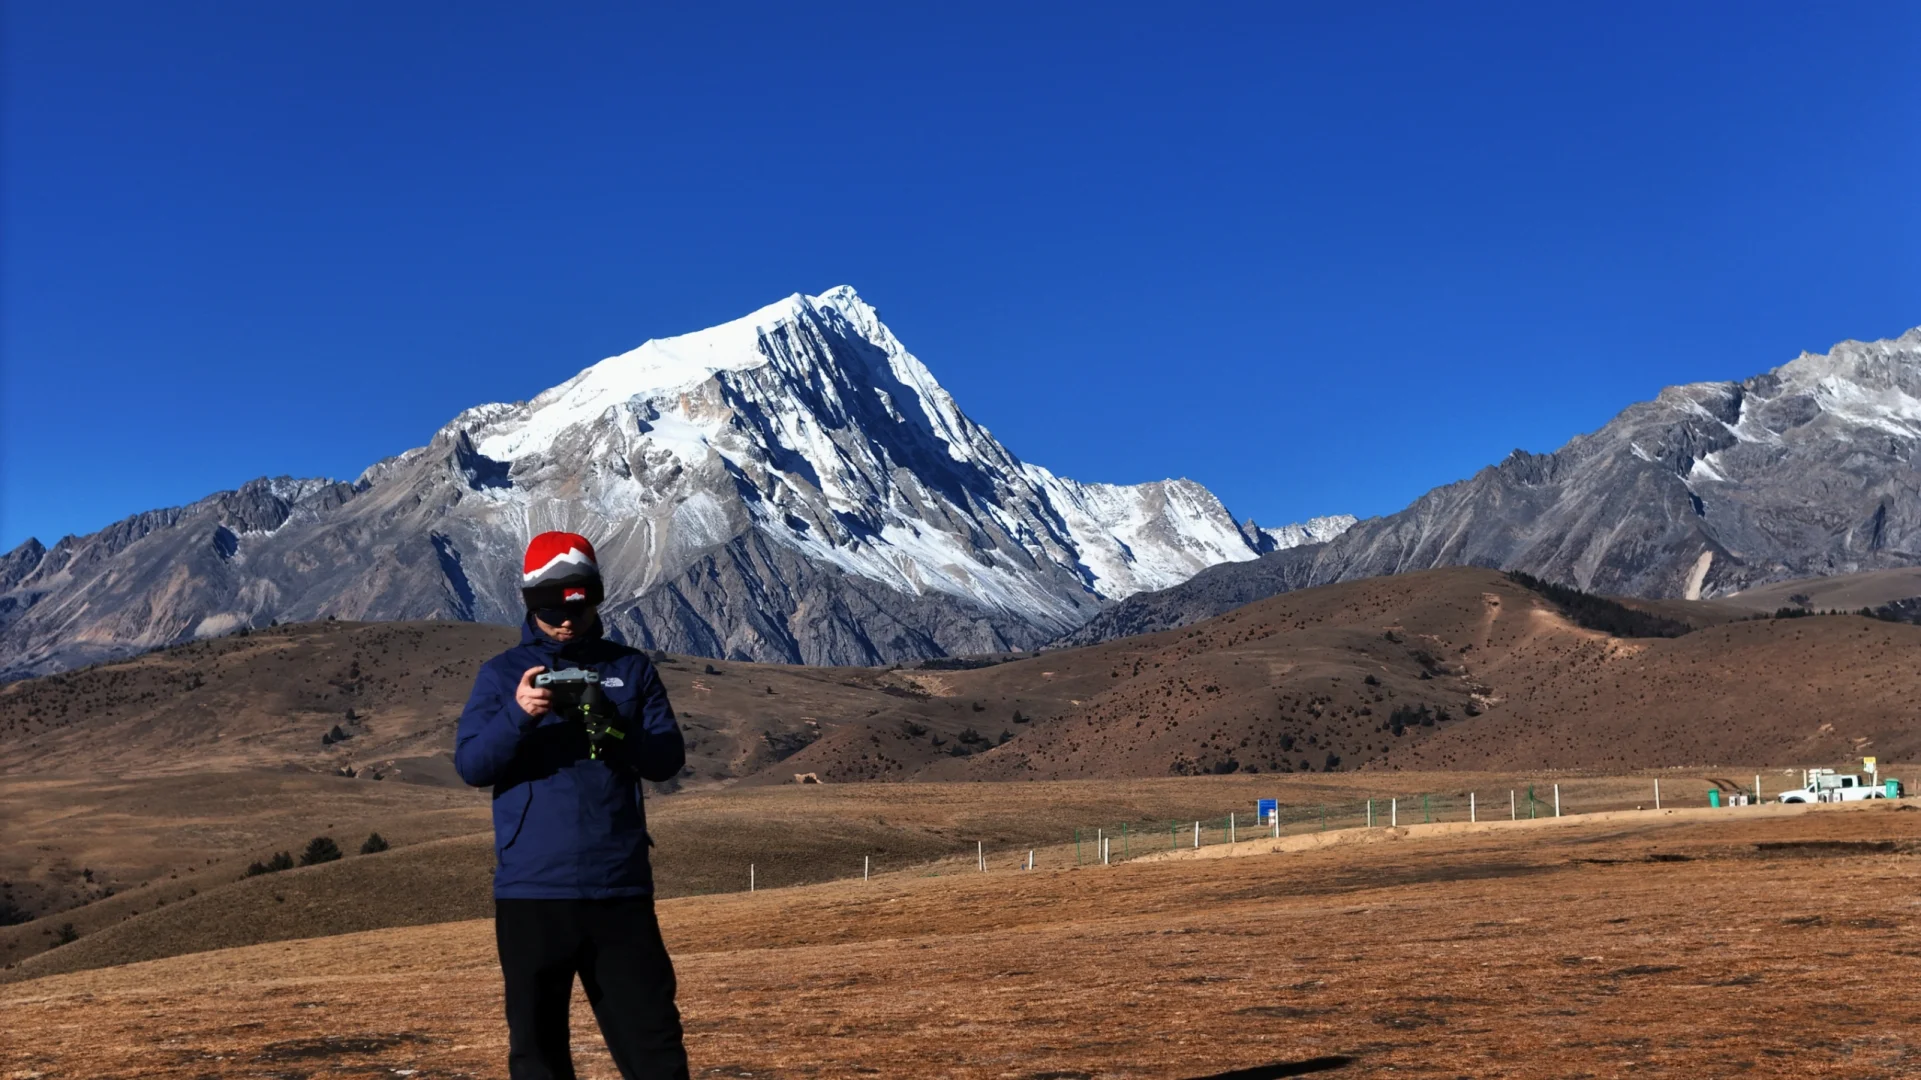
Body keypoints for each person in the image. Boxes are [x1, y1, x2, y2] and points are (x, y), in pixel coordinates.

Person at [455, 531, 690, 1080]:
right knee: (537, 1052)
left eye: (579, 610)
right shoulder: (501, 675)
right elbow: (472, 766)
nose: (566, 622)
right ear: (531, 605)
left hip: (620, 887)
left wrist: (608, 722)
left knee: (654, 1044)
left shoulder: (631, 668)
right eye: (553, 611)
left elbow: (665, 760)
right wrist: (519, 714)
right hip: (533, 890)